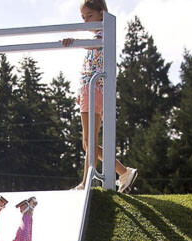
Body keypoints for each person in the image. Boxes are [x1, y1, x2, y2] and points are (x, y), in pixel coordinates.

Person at [61, 0, 138, 193]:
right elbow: (88, 67)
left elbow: (93, 46)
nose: (86, 21)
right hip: (89, 90)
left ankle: (88, 181)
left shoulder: (104, 34)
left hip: (95, 90)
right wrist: (81, 92)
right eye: (83, 18)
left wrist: (74, 42)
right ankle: (122, 171)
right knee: (88, 143)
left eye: (90, 16)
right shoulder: (98, 34)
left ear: (101, 13)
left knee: (90, 142)